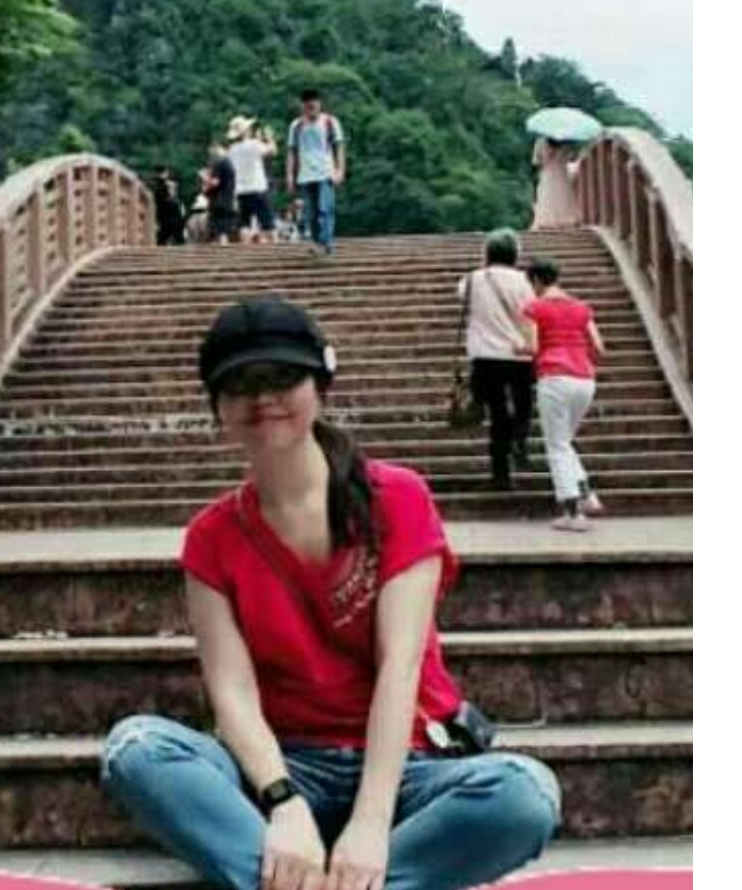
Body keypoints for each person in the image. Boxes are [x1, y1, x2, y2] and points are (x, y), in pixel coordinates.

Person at [101, 296, 561, 890]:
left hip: (408, 769)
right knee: (135, 748)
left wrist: (370, 823)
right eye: (241, 384)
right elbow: (232, 694)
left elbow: (401, 666)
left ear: (321, 385)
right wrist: (283, 800)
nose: (263, 398)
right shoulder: (212, 538)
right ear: (218, 406)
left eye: (282, 378)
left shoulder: (397, 498)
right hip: (284, 766)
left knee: (525, 794)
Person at [524, 259, 607, 532]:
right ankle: (587, 495)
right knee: (565, 441)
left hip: (555, 377)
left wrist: (516, 348)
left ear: (536, 280)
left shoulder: (535, 308)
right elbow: (599, 347)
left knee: (556, 446)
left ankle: (572, 513)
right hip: (585, 378)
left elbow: (533, 347)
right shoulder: (582, 307)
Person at [463, 229, 536, 491]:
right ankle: (519, 438)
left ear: (488, 252)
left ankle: (501, 474)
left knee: (497, 413)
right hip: (519, 354)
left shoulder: (473, 279)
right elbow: (532, 312)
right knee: (523, 406)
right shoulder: (525, 281)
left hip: (485, 357)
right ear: (515, 254)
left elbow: (462, 297)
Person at [287, 88, 346, 256]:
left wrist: (340, 170)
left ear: (320, 104)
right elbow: (291, 152)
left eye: (314, 105)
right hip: (306, 173)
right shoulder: (296, 126)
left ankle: (325, 241)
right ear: (303, 107)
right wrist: (290, 175)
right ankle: (316, 241)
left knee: (325, 208)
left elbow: (339, 147)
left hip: (325, 171)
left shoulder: (330, 122)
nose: (311, 109)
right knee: (310, 212)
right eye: (308, 106)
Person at [228, 116, 278, 245]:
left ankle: (245, 248)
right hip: (257, 188)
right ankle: (276, 247)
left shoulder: (232, 150)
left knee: (244, 223)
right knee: (268, 222)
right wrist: (270, 138)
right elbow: (272, 151)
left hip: (241, 190)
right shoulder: (254, 144)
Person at [531, 139, 581, 230]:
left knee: (547, 196)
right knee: (562, 196)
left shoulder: (540, 142)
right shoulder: (566, 143)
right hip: (561, 174)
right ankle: (564, 219)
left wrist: (546, 159)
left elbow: (536, 162)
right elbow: (573, 158)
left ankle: (547, 221)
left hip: (547, 174)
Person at [206, 143, 236, 246]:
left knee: (218, 225)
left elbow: (215, 182)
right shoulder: (230, 163)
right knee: (223, 226)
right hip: (228, 197)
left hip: (219, 199)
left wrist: (205, 179)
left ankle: (221, 245)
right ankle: (223, 243)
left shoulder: (219, 163)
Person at [153, 168, 186, 246]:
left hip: (173, 219)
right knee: (163, 238)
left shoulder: (177, 196)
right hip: (165, 219)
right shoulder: (160, 190)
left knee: (177, 238)